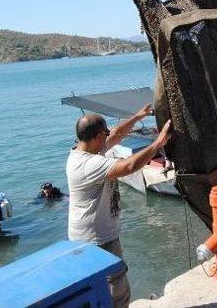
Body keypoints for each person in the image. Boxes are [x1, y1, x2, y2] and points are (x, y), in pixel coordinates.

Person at [67, 104, 171, 308]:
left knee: (104, 288)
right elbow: (130, 166)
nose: (108, 136)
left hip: (91, 234)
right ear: (97, 137)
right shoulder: (88, 164)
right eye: (104, 133)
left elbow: (117, 134)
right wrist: (158, 142)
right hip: (97, 239)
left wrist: (137, 115)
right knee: (117, 289)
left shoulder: (87, 149)